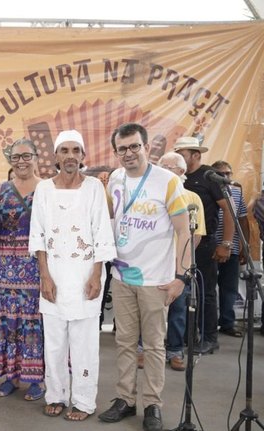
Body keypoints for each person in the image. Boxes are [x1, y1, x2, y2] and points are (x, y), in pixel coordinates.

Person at [98, 123, 190, 431]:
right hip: (123, 277)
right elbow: (111, 220)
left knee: (153, 346)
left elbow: (183, 232)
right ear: (116, 152)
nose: (129, 153)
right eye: (122, 148)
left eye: (134, 146)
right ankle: (125, 399)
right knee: (124, 342)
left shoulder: (168, 181)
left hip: (156, 280)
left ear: (147, 148)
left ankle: (152, 404)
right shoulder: (114, 179)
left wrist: (181, 277)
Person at [29, 130, 116, 421]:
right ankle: (56, 395)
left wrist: (97, 276)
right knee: (53, 342)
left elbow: (103, 233)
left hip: (86, 277)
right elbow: (38, 236)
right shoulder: (43, 189)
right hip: (53, 276)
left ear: (83, 156)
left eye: (75, 150)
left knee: (85, 343)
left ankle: (83, 401)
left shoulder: (93, 187)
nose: (69, 156)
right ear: (55, 156)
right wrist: (44, 276)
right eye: (64, 150)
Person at [0, 138, 45, 401]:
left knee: (34, 323)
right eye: (16, 157)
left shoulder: (48, 190)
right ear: (10, 160)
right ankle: (11, 377)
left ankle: (36, 380)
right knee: (5, 322)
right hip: (1, 266)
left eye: (26, 156)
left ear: (36, 157)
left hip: (35, 267)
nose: (21, 161)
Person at [173, 136, 234, 354]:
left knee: (206, 292)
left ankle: (209, 338)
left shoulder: (210, 177)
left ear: (196, 155)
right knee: (183, 293)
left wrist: (226, 243)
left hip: (205, 243)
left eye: (182, 155)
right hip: (180, 244)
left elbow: (229, 210)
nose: (179, 159)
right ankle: (189, 336)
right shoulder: (176, 178)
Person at [158, 151, 206, 371]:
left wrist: (181, 263)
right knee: (149, 309)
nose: (166, 171)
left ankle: (175, 351)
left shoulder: (192, 198)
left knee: (178, 308)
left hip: (179, 264)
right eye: (162, 167)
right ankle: (144, 348)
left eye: (171, 168)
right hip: (154, 263)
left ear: (182, 171)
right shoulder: (152, 196)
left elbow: (195, 235)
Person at [211, 160, 249, 338]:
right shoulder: (208, 190)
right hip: (210, 247)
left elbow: (242, 220)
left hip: (231, 247)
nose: (226, 177)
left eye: (228, 173)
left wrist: (244, 246)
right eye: (221, 174)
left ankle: (227, 322)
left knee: (229, 288)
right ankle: (206, 326)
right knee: (208, 289)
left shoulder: (236, 192)